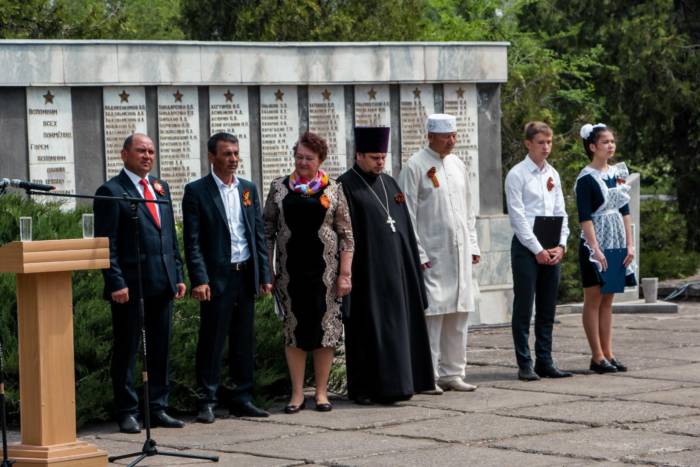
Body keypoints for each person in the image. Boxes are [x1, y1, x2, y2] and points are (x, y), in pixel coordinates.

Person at [94, 133, 186, 434]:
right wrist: (116, 281)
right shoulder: (111, 191)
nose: (147, 156)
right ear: (124, 155)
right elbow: (106, 243)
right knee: (127, 349)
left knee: (160, 348)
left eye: (151, 151)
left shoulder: (160, 187)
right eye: (140, 151)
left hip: (162, 282)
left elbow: (169, 235)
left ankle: (157, 407)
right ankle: (127, 410)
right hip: (130, 287)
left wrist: (178, 273)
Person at [338, 127, 434, 405]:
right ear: (359, 156)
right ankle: (365, 389)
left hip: (397, 271)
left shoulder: (390, 184)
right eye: (374, 157)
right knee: (368, 330)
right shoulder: (345, 185)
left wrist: (412, 266)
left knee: (399, 329)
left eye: (383, 157)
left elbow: (401, 225)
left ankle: (402, 384)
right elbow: (346, 232)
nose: (380, 162)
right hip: (367, 272)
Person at [182, 132, 273, 423]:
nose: (233, 159)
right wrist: (199, 279)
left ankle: (242, 397)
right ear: (212, 157)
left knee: (243, 340)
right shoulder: (197, 191)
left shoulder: (248, 189)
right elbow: (192, 241)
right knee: (212, 340)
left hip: (244, 274)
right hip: (216, 279)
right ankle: (207, 399)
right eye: (226, 154)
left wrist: (264, 273)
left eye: (236, 153)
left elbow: (257, 233)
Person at [263, 131, 353, 413]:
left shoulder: (333, 189)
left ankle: (322, 393)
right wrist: (268, 270)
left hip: (325, 274)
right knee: (294, 331)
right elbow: (267, 231)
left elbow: (346, 235)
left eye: (309, 158)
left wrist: (345, 274)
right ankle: (297, 393)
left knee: (325, 332)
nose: (302, 162)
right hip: (290, 274)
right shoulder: (279, 187)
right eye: (299, 157)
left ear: (320, 160)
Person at [398, 113, 480, 394]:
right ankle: (427, 374)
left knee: (458, 316)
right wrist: (417, 253)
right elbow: (406, 214)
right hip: (432, 253)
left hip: (460, 253)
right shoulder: (415, 166)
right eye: (446, 136)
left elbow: (468, 209)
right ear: (431, 135)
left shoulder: (458, 164)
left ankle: (453, 372)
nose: (451, 141)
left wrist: (473, 243)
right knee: (432, 317)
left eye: (454, 135)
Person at [504, 121, 572, 381]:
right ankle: (525, 362)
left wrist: (561, 245)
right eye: (541, 142)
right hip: (527, 247)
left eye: (549, 142)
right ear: (528, 143)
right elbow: (518, 216)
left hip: (551, 246)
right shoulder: (517, 174)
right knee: (524, 306)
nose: (546, 147)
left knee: (547, 307)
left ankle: (545, 359)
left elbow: (561, 212)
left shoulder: (552, 174)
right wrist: (536, 248)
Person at [575, 123, 636, 374]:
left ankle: (608, 352)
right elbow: (585, 217)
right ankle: (596, 356)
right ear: (592, 147)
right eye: (605, 142)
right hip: (596, 241)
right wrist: (595, 248)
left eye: (612, 141)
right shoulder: (586, 179)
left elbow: (624, 209)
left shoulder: (618, 173)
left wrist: (629, 244)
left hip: (617, 239)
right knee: (594, 298)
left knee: (608, 299)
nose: (610, 145)